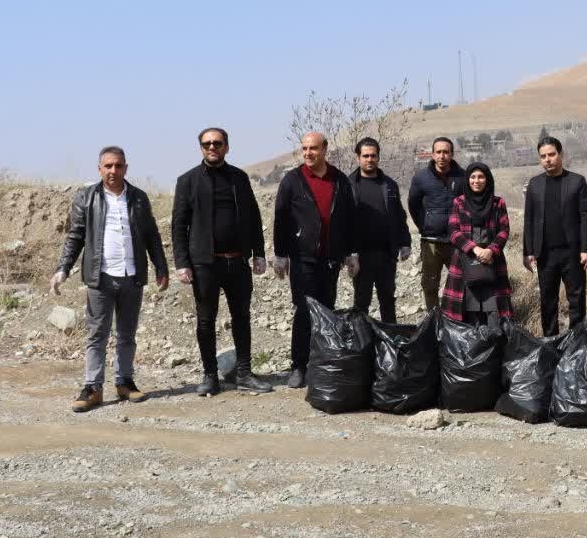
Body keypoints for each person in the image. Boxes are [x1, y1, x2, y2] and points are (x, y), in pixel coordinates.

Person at [51, 146, 169, 413]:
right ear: (99, 169)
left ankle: (125, 382)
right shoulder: (86, 197)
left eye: (118, 166)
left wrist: (161, 267)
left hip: (132, 276)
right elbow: (76, 237)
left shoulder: (139, 198)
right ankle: (93, 388)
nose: (113, 171)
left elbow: (152, 236)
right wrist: (63, 269)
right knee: (97, 335)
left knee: (127, 334)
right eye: (108, 166)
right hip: (100, 278)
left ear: (126, 168)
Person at [171, 127, 273, 396]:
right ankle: (209, 376)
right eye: (206, 144)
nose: (212, 147)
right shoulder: (188, 181)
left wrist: (258, 253)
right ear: (201, 148)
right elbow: (179, 226)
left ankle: (244, 373)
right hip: (205, 264)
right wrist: (182, 262)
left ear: (227, 147)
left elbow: (253, 217)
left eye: (217, 143)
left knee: (242, 317)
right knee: (206, 321)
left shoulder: (239, 178)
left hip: (237, 261)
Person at [272, 132, 359, 389]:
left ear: (325, 149)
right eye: (305, 149)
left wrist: (351, 253)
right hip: (302, 259)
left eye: (313, 148)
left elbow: (348, 219)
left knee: (326, 313)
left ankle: (320, 364)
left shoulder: (339, 180)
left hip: (330, 260)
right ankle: (298, 367)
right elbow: (281, 219)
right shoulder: (292, 180)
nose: (309, 153)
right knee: (304, 312)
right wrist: (280, 254)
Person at [523, 136, 587, 336]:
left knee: (576, 298)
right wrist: (528, 252)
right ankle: (550, 342)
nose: (548, 159)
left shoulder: (577, 181)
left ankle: (577, 341)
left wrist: (586, 249)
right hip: (545, 253)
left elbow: (586, 217)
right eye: (543, 156)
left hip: (572, 252)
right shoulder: (535, 184)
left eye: (552, 154)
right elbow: (528, 219)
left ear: (560, 154)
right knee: (547, 300)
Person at [440, 163, 513, 330]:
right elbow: (453, 231)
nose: (476, 181)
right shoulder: (459, 202)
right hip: (465, 260)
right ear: (467, 180)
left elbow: (504, 230)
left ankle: (495, 343)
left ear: (487, 179)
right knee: (468, 305)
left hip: (492, 260)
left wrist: (491, 250)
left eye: (481, 177)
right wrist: (474, 248)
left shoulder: (498, 203)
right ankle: (472, 347)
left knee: (493, 306)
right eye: (473, 177)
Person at [349, 136, 411, 323]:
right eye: (365, 156)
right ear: (357, 158)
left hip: (386, 254)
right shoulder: (348, 185)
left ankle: (390, 345)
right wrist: (348, 253)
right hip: (361, 256)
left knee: (388, 301)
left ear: (378, 157)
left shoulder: (389, 184)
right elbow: (343, 222)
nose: (370, 159)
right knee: (361, 303)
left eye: (373, 155)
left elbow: (400, 215)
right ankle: (361, 346)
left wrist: (405, 242)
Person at [407, 137, 467, 310]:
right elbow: (413, 205)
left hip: (457, 241)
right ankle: (434, 320)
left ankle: (459, 320)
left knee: (462, 282)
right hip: (431, 241)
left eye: (446, 152)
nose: (442, 156)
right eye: (438, 152)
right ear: (432, 154)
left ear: (452, 154)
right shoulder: (420, 178)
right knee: (430, 284)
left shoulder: (463, 177)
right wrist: (425, 226)